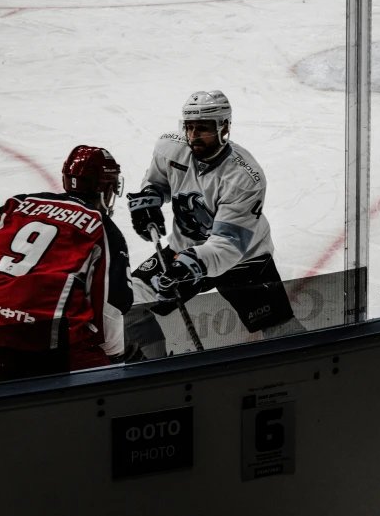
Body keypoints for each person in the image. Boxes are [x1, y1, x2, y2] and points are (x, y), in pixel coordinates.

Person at [126, 91, 305, 357]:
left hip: (244, 259)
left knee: (277, 326)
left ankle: (310, 361)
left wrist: (189, 264)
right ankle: (154, 371)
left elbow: (228, 245)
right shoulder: (170, 148)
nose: (194, 135)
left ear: (224, 127)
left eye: (203, 128)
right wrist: (149, 200)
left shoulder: (245, 176)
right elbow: (158, 182)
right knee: (129, 303)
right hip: (184, 250)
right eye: (190, 127)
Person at [0, 145, 134, 382]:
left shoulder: (22, 204)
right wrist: (117, 359)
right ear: (106, 188)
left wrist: (7, 283)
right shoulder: (102, 227)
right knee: (113, 388)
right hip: (45, 347)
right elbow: (112, 303)